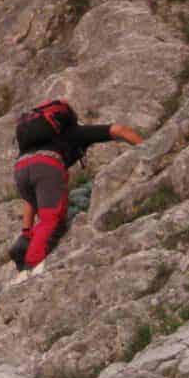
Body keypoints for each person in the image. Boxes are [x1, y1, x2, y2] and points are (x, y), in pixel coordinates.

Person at [10, 110, 143, 274]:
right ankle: (31, 267)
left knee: (45, 220)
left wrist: (26, 230)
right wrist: (148, 148)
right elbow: (119, 130)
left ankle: (25, 244)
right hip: (47, 166)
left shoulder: (34, 143)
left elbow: (30, 199)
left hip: (20, 170)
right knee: (53, 222)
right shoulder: (75, 132)